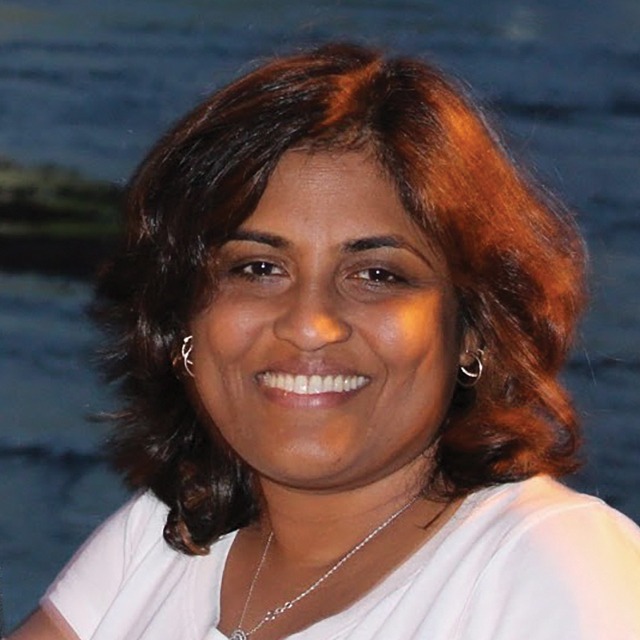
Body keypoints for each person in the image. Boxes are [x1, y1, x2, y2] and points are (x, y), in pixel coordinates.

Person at [8, 42, 640, 640]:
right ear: (183, 323)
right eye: (257, 268)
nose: (309, 323)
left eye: (376, 275)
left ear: (473, 329)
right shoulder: (165, 538)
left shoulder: (552, 569)